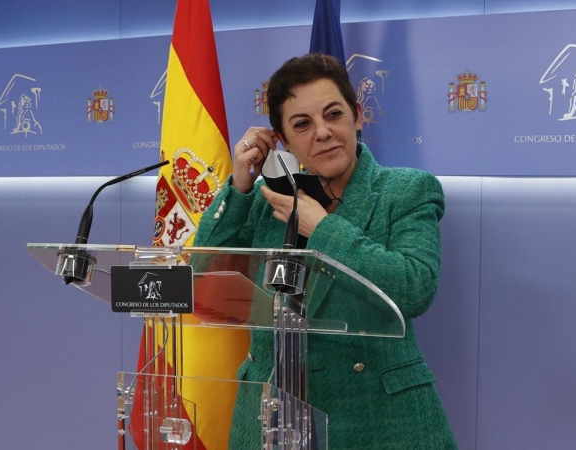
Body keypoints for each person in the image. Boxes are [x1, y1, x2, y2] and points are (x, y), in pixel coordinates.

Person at [195, 53, 456, 449]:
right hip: (269, 419)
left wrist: (322, 229)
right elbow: (202, 278)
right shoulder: (267, 200)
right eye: (302, 124)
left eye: (334, 114)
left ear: (357, 115)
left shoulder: (406, 190)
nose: (322, 132)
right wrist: (239, 187)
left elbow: (413, 287)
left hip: (376, 419)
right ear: (281, 141)